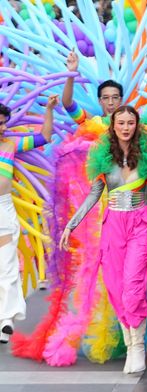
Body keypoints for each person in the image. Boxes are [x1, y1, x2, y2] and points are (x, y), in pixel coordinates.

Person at [59, 106, 147, 374]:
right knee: (116, 287)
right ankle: (130, 341)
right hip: (113, 226)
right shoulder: (103, 158)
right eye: (121, 122)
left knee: (133, 286)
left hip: (140, 225)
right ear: (113, 125)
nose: (125, 127)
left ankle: (138, 348)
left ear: (136, 125)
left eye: (130, 122)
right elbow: (93, 195)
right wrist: (71, 225)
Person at [0, 95, 57, 343]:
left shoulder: (9, 145)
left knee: (7, 265)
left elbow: (44, 136)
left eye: (4, 122)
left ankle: (6, 319)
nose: (2, 127)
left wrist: (49, 110)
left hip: (3, 210)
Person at [61, 50, 147, 123]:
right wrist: (71, 73)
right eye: (106, 98)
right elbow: (68, 104)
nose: (110, 102)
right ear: (100, 101)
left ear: (121, 100)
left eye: (115, 97)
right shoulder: (94, 123)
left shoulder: (134, 121)